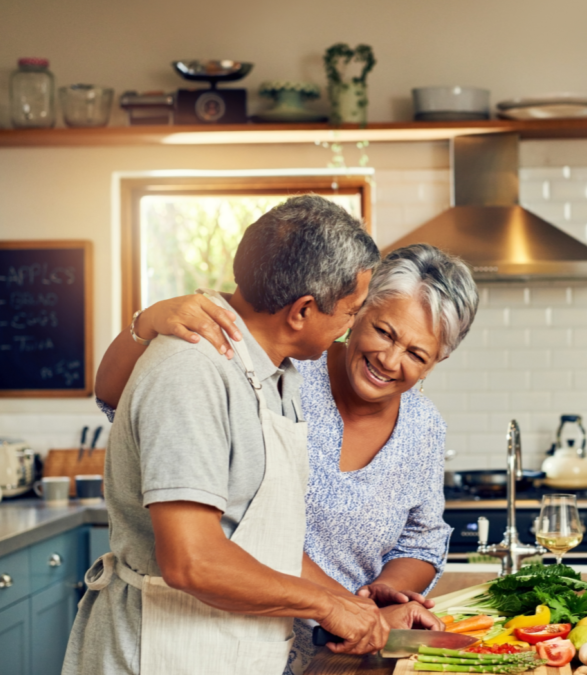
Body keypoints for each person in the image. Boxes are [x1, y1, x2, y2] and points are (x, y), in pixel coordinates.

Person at [94, 243, 480, 674]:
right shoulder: (286, 368)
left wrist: (375, 600)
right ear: (357, 311)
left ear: (437, 360)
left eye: (416, 354)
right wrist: (145, 324)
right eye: (385, 333)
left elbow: (421, 540)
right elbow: (118, 397)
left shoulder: (423, 426)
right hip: (224, 633)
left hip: (344, 647)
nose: (389, 361)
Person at [63, 195, 388, 675]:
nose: (351, 326)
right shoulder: (192, 371)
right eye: (350, 312)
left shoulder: (277, 373)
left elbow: (262, 543)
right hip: (159, 655)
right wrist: (325, 607)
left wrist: (358, 610)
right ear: (301, 311)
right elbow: (192, 561)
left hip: (227, 651)